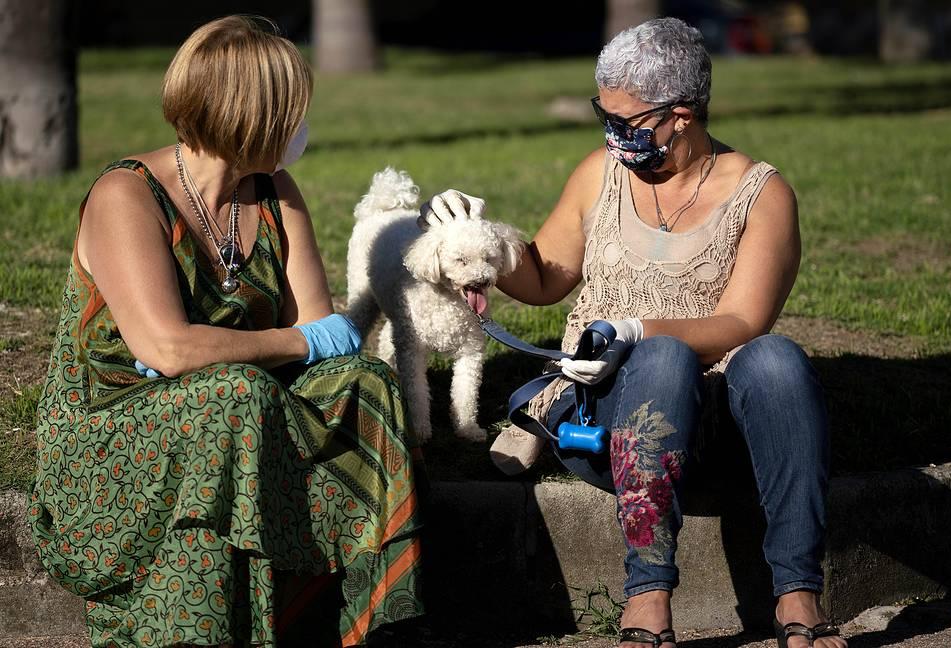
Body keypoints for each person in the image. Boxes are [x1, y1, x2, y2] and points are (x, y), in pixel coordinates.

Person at [421, 17, 846, 648]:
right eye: (605, 115)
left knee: (776, 358)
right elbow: (545, 276)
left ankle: (798, 592)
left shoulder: (763, 195)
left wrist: (636, 328)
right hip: (609, 414)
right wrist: (474, 237)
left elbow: (743, 321)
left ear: (681, 115)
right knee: (662, 360)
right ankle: (647, 594)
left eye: (624, 121)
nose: (611, 134)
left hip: (718, 421)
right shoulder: (601, 173)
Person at [27, 16, 423, 647]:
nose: (301, 126)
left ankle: (360, 622)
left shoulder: (273, 191)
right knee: (232, 395)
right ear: (250, 117)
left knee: (364, 382)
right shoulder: (125, 196)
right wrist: (295, 343)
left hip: (241, 398)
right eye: (291, 112)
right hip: (117, 430)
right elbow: (169, 348)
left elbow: (320, 329)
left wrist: (268, 346)